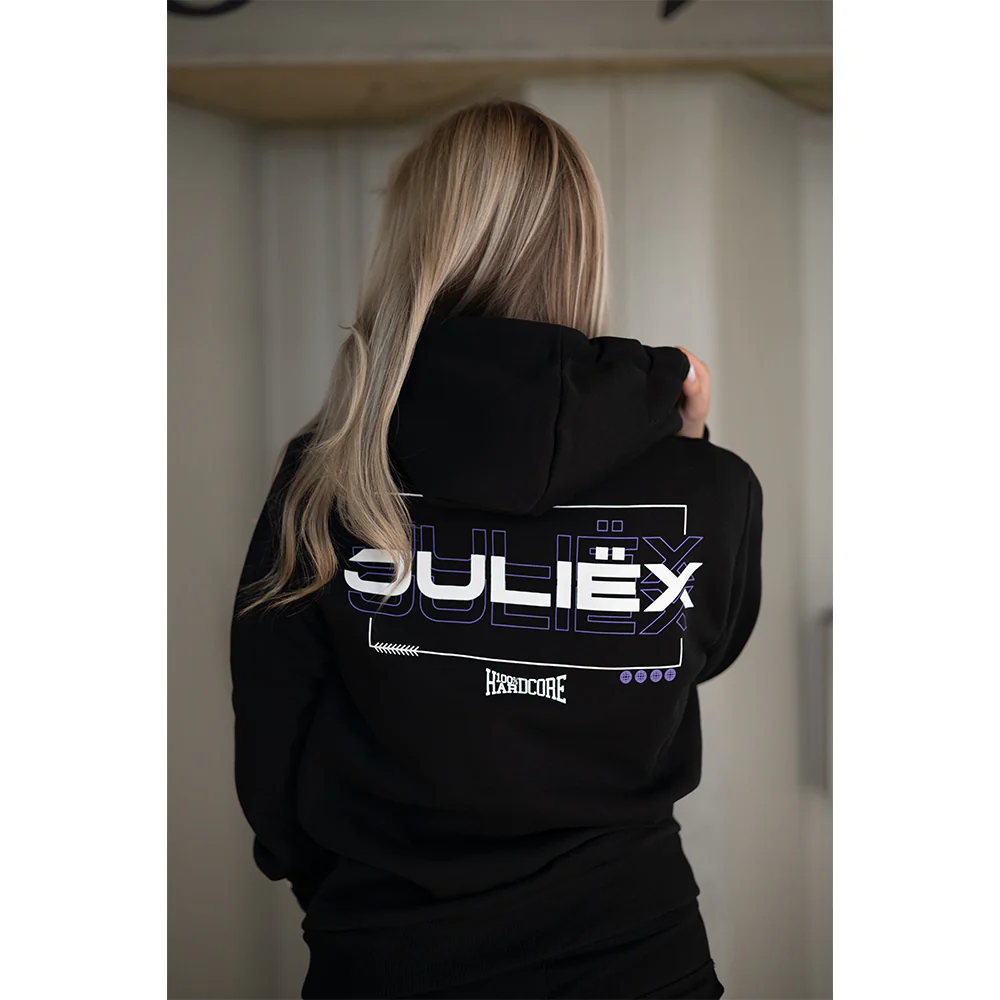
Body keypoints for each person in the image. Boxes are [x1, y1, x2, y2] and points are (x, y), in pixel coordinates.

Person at [230, 100, 762, 1000]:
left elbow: (273, 748)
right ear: (584, 246)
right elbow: (699, 656)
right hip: (639, 957)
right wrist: (691, 459)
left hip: (391, 957)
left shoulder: (331, 473)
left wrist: (352, 898)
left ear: (417, 246)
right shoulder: (710, 487)